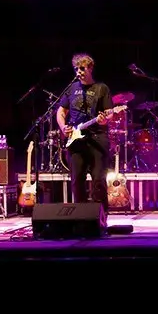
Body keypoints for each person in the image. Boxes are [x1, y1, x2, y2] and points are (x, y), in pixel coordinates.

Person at [56, 53, 115, 211]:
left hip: (97, 138)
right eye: (76, 69)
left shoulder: (101, 88)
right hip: (76, 140)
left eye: (82, 68)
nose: (78, 72)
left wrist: (104, 119)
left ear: (90, 68)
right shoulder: (71, 89)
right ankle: (81, 216)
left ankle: (101, 218)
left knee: (98, 180)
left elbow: (109, 112)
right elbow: (61, 112)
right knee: (76, 180)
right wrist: (63, 127)